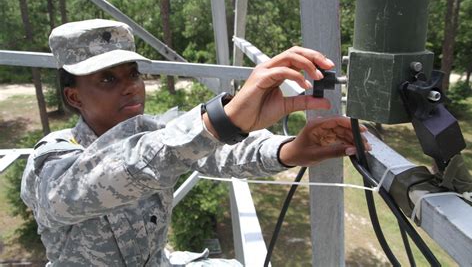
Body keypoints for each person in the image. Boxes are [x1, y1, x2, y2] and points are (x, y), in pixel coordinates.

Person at [21, 19, 370, 266]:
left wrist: (290, 150)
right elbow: (92, 182)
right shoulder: (53, 158)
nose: (131, 87)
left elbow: (216, 153)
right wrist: (221, 119)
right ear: (74, 97)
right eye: (108, 79)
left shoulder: (156, 132)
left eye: (134, 74)